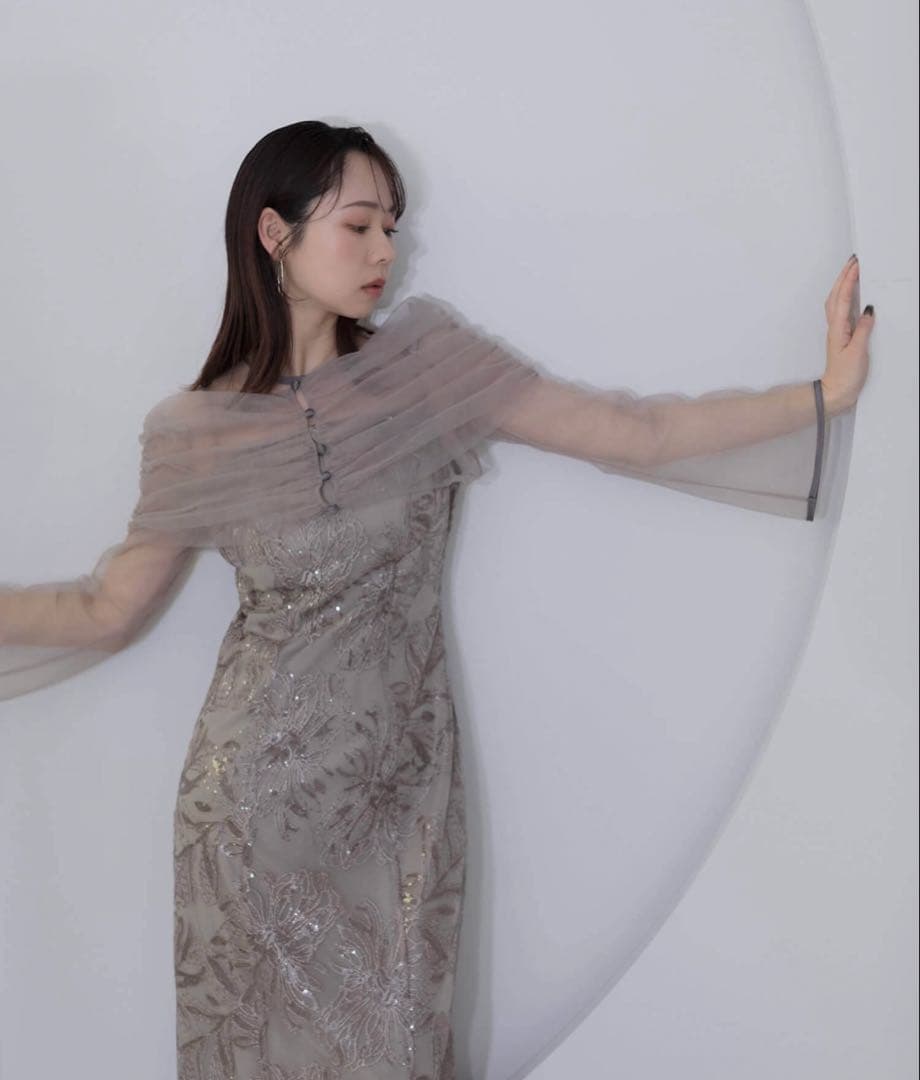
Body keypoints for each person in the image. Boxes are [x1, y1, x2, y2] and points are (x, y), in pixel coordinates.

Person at [0, 120, 873, 1079]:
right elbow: (104, 610)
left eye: (393, 227)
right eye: (359, 226)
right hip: (251, 817)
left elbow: (635, 432)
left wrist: (822, 396)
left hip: (399, 803)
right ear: (273, 234)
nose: (385, 250)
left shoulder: (424, 367)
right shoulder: (196, 431)